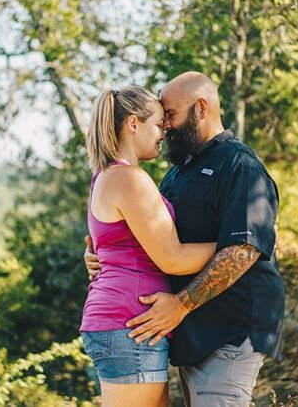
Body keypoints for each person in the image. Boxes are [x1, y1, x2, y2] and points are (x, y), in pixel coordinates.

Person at [84, 72, 286, 406]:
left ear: (201, 108)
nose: (166, 128)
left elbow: (242, 250)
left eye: (171, 117)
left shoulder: (239, 165)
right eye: (160, 121)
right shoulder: (175, 175)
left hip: (228, 329)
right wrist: (101, 255)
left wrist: (252, 243)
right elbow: (148, 242)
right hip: (179, 328)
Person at [81, 85, 218, 407]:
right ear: (132, 124)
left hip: (127, 323)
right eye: (158, 123)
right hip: (129, 324)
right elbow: (173, 258)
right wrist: (244, 242)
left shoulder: (106, 176)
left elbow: (110, 246)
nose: (164, 131)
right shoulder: (130, 178)